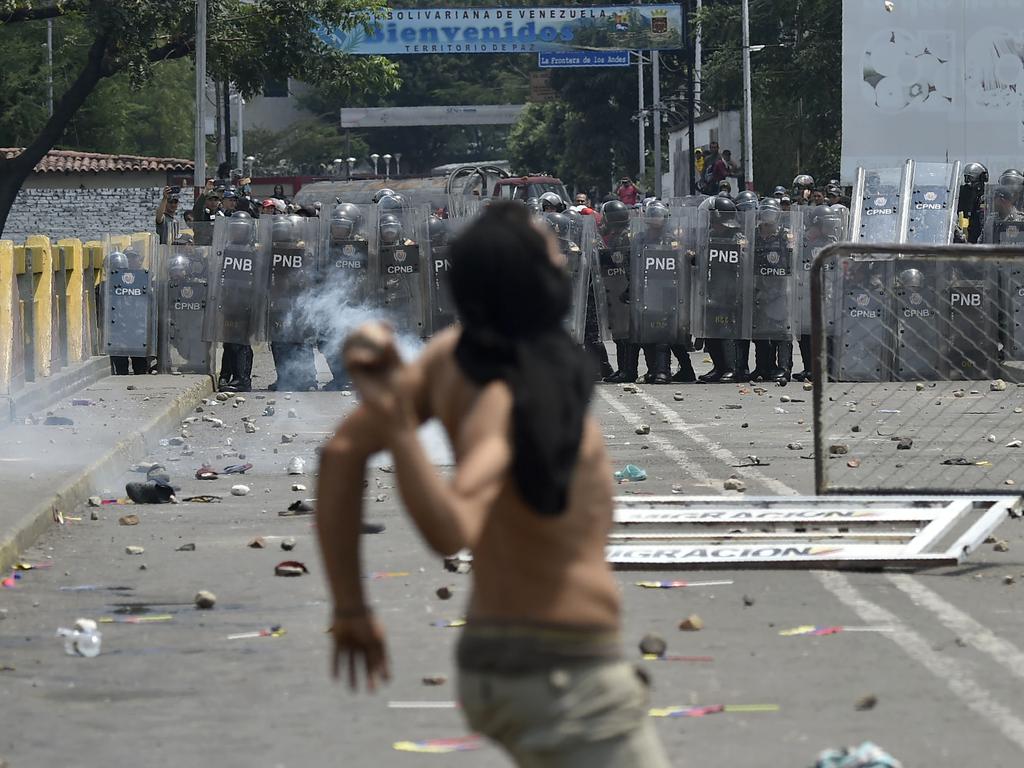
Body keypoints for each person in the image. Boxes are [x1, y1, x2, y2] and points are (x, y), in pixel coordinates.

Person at [316, 201, 671, 767]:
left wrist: (351, 609)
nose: (563, 259)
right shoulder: (509, 390)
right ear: (527, 279)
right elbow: (450, 527)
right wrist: (398, 424)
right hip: (560, 674)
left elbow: (340, 455)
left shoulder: (453, 357)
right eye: (551, 252)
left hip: (514, 659)